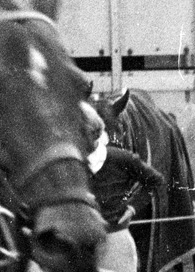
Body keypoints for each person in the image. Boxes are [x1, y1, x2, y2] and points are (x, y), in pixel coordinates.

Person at [82, 102, 164, 272]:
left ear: (94, 133)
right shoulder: (72, 164)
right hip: (81, 243)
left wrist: (133, 208)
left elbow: (155, 181)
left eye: (81, 134)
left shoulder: (121, 159)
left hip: (115, 241)